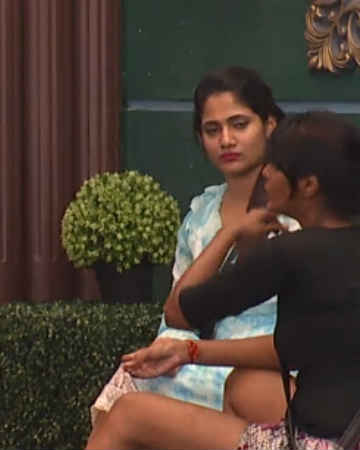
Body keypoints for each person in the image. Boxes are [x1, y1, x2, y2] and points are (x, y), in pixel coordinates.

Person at [86, 110, 360, 449]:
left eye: (275, 165)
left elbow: (180, 312)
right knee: (245, 385)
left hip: (316, 443)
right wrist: (190, 352)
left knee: (129, 413)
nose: (266, 173)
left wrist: (229, 233)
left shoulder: (291, 252)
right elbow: (295, 346)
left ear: (308, 185)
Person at [91, 66, 298, 427]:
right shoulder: (201, 215)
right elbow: (178, 313)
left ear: (269, 125)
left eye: (239, 124)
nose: (226, 140)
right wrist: (169, 346)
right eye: (212, 130)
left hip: (270, 368)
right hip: (201, 357)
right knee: (136, 379)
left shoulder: (296, 212)